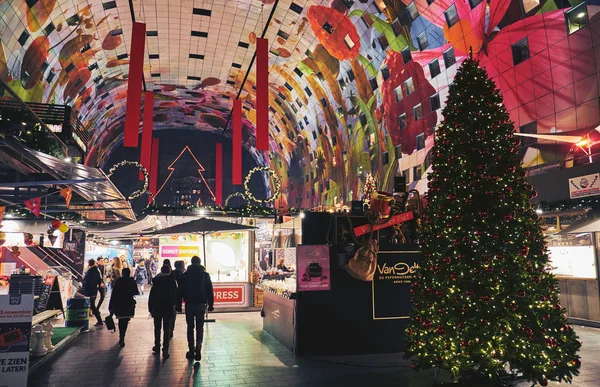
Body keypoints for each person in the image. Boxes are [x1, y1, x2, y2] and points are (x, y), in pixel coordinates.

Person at [180, 256, 214, 361]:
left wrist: (178, 304)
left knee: (190, 327)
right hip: (201, 304)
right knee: (200, 326)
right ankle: (199, 345)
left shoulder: (185, 275)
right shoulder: (205, 275)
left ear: (191, 263)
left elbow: (180, 290)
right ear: (200, 263)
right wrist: (211, 304)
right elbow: (210, 290)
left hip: (189, 304)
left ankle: (191, 349)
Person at [148, 265, 177, 359]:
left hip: (157, 307)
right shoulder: (172, 282)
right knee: (167, 329)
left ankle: (157, 346)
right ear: (169, 271)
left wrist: (150, 308)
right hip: (168, 307)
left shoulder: (156, 282)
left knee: (157, 328)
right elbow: (175, 294)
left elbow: (151, 296)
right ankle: (165, 350)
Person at [108, 268, 139, 347]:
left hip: (119, 303)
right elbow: (136, 292)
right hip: (128, 303)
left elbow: (114, 294)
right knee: (125, 320)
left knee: (121, 320)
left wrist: (111, 306)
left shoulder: (119, 281)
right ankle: (122, 336)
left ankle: (121, 337)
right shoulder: (132, 281)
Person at [82, 259, 104, 327]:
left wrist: (84, 287)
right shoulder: (96, 270)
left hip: (90, 291)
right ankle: (99, 320)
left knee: (92, 306)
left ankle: (99, 321)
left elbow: (88, 281)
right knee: (92, 306)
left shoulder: (91, 271)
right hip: (93, 290)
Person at [171, 260, 185, 337]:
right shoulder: (182, 275)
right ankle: (171, 328)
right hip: (177, 297)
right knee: (173, 313)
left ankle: (170, 328)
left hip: (171, 297)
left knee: (172, 313)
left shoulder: (171, 273)